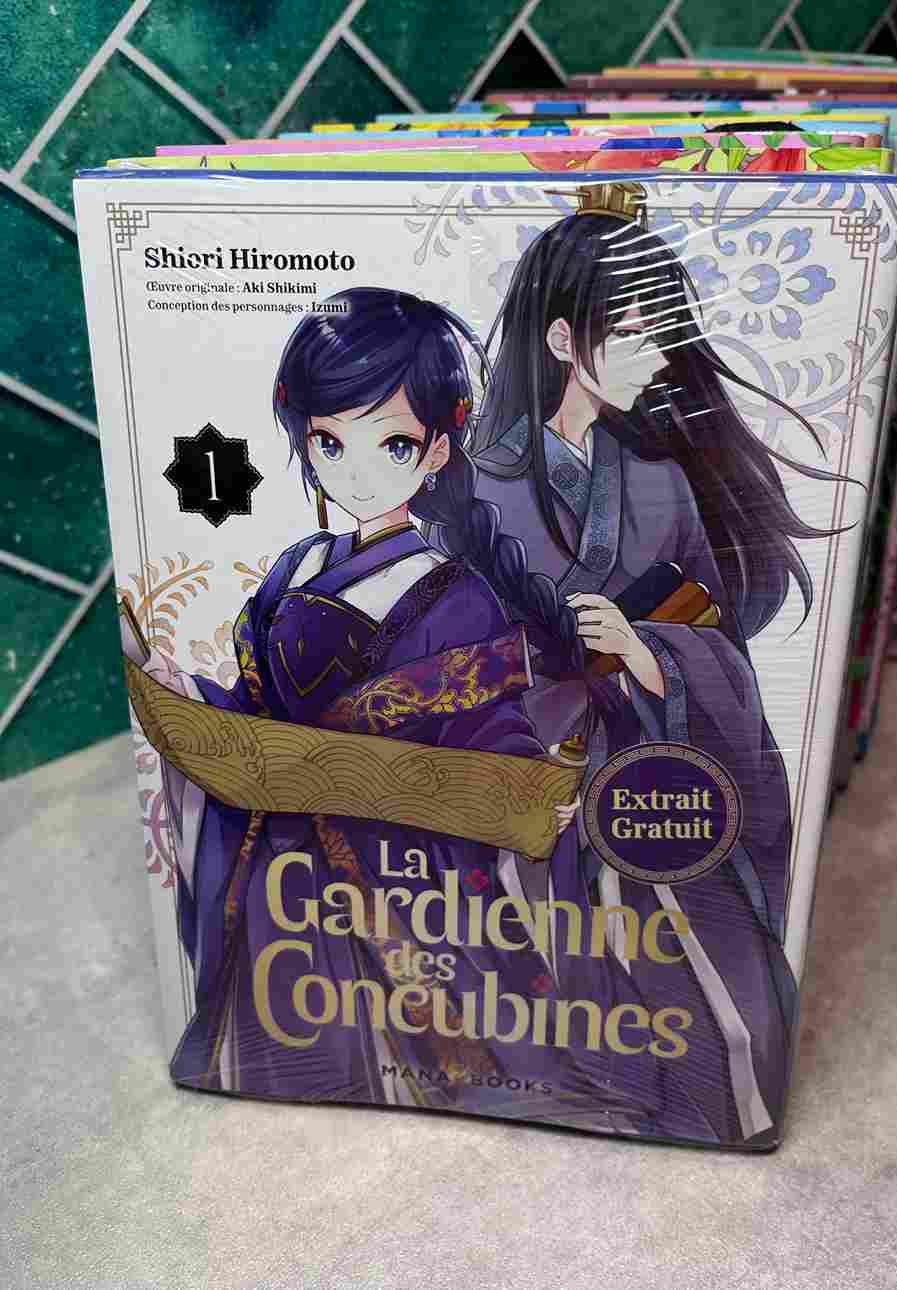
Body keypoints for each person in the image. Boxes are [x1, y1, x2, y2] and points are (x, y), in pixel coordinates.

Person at [121, 287, 623, 1124]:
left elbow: (487, 729)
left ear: (436, 449)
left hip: (394, 865)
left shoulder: (454, 593)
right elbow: (251, 710)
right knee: (278, 1020)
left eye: (391, 443)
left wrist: (531, 782)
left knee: (397, 1039)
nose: (354, 469)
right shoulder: (296, 565)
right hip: (273, 851)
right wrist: (177, 685)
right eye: (328, 441)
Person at [437, 181, 850, 1144]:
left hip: (654, 782)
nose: (658, 359)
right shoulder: (472, 492)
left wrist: (650, 649)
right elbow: (440, 661)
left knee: (720, 1009)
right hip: (524, 798)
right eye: (634, 333)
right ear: (561, 340)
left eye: (664, 335)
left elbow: (721, 647)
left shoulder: (662, 482)